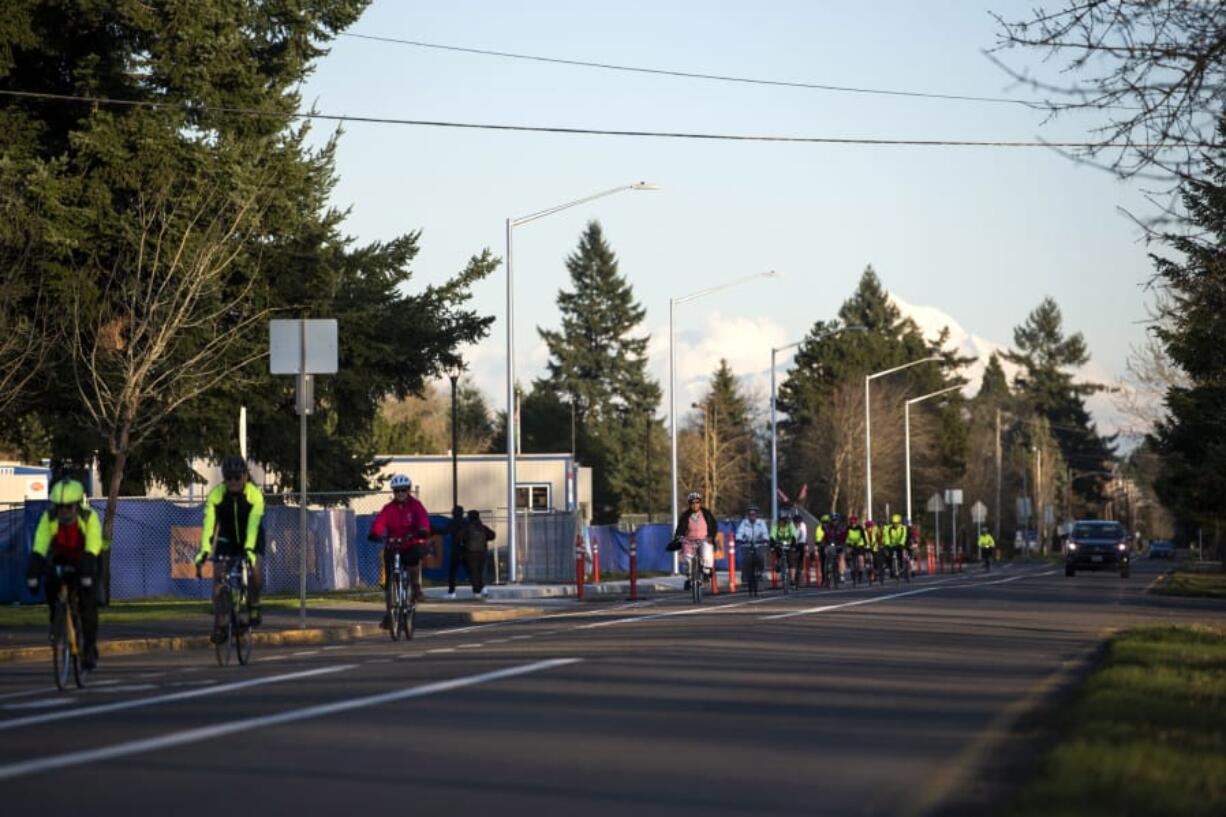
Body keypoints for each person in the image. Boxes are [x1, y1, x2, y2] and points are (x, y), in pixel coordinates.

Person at [26, 479, 103, 671]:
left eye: (68, 507)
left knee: (88, 604)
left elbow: (93, 545)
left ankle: (90, 648)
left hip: (84, 557)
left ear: (77, 504)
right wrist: (33, 573)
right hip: (60, 558)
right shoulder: (49, 518)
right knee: (50, 583)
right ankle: (57, 619)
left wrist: (87, 568)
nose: (64, 511)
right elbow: (40, 546)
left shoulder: (88, 517)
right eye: (60, 507)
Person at [195, 456, 265, 643]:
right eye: (229, 477)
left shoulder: (254, 495)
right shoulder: (216, 495)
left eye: (237, 477)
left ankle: (254, 605)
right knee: (219, 575)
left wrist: (249, 549)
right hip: (228, 538)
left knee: (255, 568)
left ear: (245, 476)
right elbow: (209, 524)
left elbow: (253, 524)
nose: (233, 481)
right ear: (224, 478)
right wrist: (204, 551)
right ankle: (221, 624)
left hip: (252, 535)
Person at [367, 473, 431, 628]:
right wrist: (375, 533)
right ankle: (391, 613)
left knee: (412, 559)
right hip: (394, 544)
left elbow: (423, 519)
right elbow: (380, 522)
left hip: (411, 542)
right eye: (397, 491)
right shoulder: (388, 508)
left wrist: (423, 529)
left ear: (408, 490)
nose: (400, 493)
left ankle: (416, 588)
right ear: (394, 492)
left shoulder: (416, 505)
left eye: (403, 490)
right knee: (390, 580)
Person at [674, 491, 717, 590]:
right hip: (689, 540)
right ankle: (689, 578)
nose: (695, 505)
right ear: (689, 504)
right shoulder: (685, 516)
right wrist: (679, 537)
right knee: (687, 559)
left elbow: (713, 526)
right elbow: (680, 529)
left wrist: (711, 536)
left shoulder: (706, 514)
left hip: (704, 539)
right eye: (692, 503)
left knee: (706, 553)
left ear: (700, 503)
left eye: (697, 502)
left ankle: (706, 573)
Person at [736, 504, 770, 591]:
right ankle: (745, 578)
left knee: (760, 557)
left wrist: (764, 539)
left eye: (754, 514)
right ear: (748, 515)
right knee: (745, 559)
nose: (752, 516)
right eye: (750, 514)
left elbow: (765, 534)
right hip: (747, 545)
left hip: (758, 545)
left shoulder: (761, 523)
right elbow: (739, 533)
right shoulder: (744, 523)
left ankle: (760, 572)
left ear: (756, 515)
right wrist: (739, 539)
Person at [460, 509, 495, 596]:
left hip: (470, 552)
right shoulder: (483, 527)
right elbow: (492, 535)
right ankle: (483, 588)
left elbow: (460, 537)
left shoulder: (467, 527)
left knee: (473, 572)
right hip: (482, 552)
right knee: (480, 571)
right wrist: (485, 539)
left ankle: (477, 591)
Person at [770, 511, 798, 588]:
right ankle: (778, 564)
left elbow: (794, 534)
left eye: (784, 520)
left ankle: (792, 580)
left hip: (789, 544)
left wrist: (793, 543)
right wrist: (772, 542)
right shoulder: (775, 524)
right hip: (779, 544)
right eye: (781, 520)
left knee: (791, 560)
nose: (782, 522)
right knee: (775, 552)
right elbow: (772, 534)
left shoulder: (790, 524)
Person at [444, 506, 466, 599]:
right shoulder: (466, 522)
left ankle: (451, 592)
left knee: (452, 572)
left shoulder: (452, 522)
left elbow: (444, 531)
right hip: (467, 549)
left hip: (456, 549)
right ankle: (479, 588)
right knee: (472, 570)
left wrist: (432, 529)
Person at [845, 514, 868, 583]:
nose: (853, 525)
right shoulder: (848, 528)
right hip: (851, 545)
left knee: (860, 559)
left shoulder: (860, 528)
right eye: (852, 523)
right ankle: (852, 572)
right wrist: (847, 544)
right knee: (851, 559)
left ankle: (860, 575)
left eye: (854, 523)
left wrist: (865, 544)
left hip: (859, 545)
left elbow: (863, 537)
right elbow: (846, 537)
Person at [791, 509, 809, 587]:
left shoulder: (803, 525)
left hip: (800, 542)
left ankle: (799, 574)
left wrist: (805, 546)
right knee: (791, 558)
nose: (797, 524)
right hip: (792, 542)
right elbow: (791, 537)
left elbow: (804, 537)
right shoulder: (791, 526)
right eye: (796, 523)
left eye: (799, 523)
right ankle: (791, 577)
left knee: (801, 557)